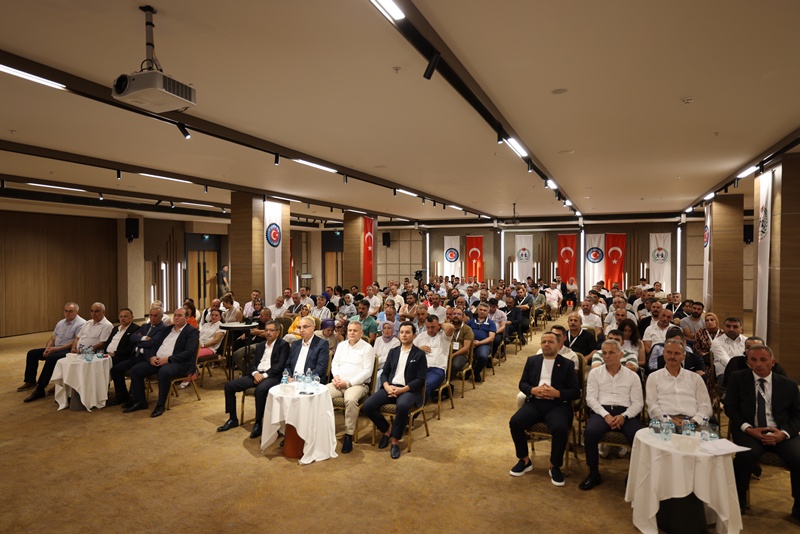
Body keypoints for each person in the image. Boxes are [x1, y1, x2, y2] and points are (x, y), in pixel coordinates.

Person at [725, 344, 800, 518]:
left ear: (772, 362)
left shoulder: (788, 384)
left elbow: (798, 415)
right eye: (753, 359)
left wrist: (783, 433)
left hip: (781, 432)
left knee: (799, 458)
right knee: (744, 456)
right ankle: (739, 499)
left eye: (763, 360)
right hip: (750, 431)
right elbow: (730, 408)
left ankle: (799, 506)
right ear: (748, 362)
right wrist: (748, 429)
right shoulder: (738, 379)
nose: (758, 364)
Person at [508, 332, 580, 485]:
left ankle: (555, 466)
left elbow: (575, 391)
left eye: (550, 342)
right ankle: (524, 460)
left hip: (557, 405)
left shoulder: (567, 364)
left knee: (560, 429)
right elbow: (522, 384)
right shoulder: (532, 361)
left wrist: (557, 393)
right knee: (515, 422)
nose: (546, 344)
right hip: (535, 402)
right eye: (543, 342)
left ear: (558, 345)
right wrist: (533, 390)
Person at [580, 339, 644, 490]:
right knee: (590, 432)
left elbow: (638, 403)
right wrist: (606, 415)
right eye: (604, 353)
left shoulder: (632, 376)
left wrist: (624, 416)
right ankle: (593, 473)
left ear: (621, 355)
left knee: (639, 436)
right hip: (602, 411)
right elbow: (591, 399)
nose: (607, 356)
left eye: (611, 353)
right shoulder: (595, 373)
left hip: (626, 413)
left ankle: (633, 476)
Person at [362, 322, 427, 460]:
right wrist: (386, 386)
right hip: (390, 387)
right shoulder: (393, 352)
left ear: (414, 335)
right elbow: (385, 373)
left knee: (402, 406)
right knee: (368, 405)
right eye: (402, 332)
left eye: (407, 332)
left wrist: (403, 389)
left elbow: (421, 379)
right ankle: (386, 430)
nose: (404, 335)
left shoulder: (419, 354)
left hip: (408, 390)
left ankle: (395, 441)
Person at [25, 302, 113, 403]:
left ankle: (41, 388)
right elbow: (76, 338)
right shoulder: (88, 323)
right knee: (32, 353)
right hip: (74, 350)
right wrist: (72, 348)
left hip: (87, 353)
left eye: (97, 311)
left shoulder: (106, 325)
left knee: (51, 359)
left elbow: (102, 344)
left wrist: (81, 350)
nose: (94, 314)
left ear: (103, 312)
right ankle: (32, 382)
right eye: (92, 311)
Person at [217, 321, 289, 438]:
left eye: (271, 330)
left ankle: (258, 423)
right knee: (229, 386)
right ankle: (232, 419)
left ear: (278, 332)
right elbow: (253, 363)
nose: (268, 333)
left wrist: (263, 376)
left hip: (272, 376)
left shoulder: (283, 345)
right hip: (256, 375)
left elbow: (280, 366)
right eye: (266, 330)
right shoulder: (261, 345)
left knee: (260, 390)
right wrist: (255, 374)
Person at [124, 308, 200, 418]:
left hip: (178, 363)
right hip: (158, 360)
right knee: (135, 370)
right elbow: (155, 345)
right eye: (175, 315)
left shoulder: (192, 331)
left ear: (187, 318)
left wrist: (168, 359)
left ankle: (160, 405)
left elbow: (189, 352)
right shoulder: (167, 329)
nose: (176, 317)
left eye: (180, 315)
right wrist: (151, 357)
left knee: (164, 372)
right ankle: (140, 402)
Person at [328, 322, 375, 453]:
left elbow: (367, 372)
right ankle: (324, 430)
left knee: (350, 400)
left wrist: (348, 383)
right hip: (338, 383)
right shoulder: (342, 345)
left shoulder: (367, 348)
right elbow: (335, 363)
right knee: (321, 393)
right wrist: (336, 376)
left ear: (361, 333)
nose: (351, 333)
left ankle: (348, 435)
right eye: (349, 330)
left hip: (358, 385)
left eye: (355, 330)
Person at [108, 307, 169, 406]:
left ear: (161, 317)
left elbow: (153, 342)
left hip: (147, 357)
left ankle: (137, 400)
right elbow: (133, 337)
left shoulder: (163, 329)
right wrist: (144, 338)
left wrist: (139, 341)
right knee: (116, 369)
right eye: (151, 315)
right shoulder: (145, 326)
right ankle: (123, 396)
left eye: (156, 316)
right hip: (136, 355)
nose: (153, 318)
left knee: (135, 371)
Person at [19, 302, 85, 393]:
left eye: (70, 311)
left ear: (77, 312)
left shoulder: (81, 324)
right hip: (55, 348)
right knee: (32, 353)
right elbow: (53, 338)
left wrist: (55, 349)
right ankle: (30, 381)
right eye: (66, 311)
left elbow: (75, 341)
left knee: (51, 357)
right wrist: (47, 348)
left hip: (67, 350)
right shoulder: (61, 323)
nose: (67, 313)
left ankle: (42, 385)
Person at [645, 338, 712, 427]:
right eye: (669, 352)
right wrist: (668, 421)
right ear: (663, 353)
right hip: (663, 422)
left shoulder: (695, 378)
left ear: (684, 356)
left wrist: (692, 422)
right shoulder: (653, 377)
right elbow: (652, 406)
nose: (672, 356)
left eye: (677, 353)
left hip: (693, 421)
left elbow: (706, 406)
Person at [414, 314, 455, 404]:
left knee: (426, 384)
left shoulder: (444, 336)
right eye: (428, 327)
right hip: (420, 368)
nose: (430, 330)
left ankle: (417, 407)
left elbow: (450, 327)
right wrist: (418, 350)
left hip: (437, 369)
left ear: (439, 326)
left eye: (433, 327)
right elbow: (409, 351)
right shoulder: (421, 336)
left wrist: (441, 324)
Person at [284, 317, 330, 382]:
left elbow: (321, 368)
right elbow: (287, 365)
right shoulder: (295, 344)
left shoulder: (322, 344)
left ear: (313, 328)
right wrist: (289, 376)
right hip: (292, 380)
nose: (301, 330)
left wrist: (304, 380)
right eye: (299, 327)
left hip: (311, 381)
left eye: (305, 327)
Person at [467, 302, 496, 382]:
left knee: (483, 356)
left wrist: (479, 343)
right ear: (477, 310)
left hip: (483, 344)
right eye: (481, 310)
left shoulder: (491, 323)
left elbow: (491, 338)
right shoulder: (471, 321)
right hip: (470, 343)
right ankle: (468, 369)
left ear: (488, 312)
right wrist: (471, 342)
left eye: (485, 310)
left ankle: (476, 371)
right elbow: (465, 333)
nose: (482, 312)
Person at [373, 321, 400, 393]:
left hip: (387, 367)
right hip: (375, 365)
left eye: (389, 328)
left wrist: (378, 361)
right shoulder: (378, 339)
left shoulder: (396, 341)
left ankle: (376, 394)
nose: (386, 330)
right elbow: (374, 354)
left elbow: (389, 358)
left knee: (378, 376)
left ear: (392, 329)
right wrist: (376, 362)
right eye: (384, 328)